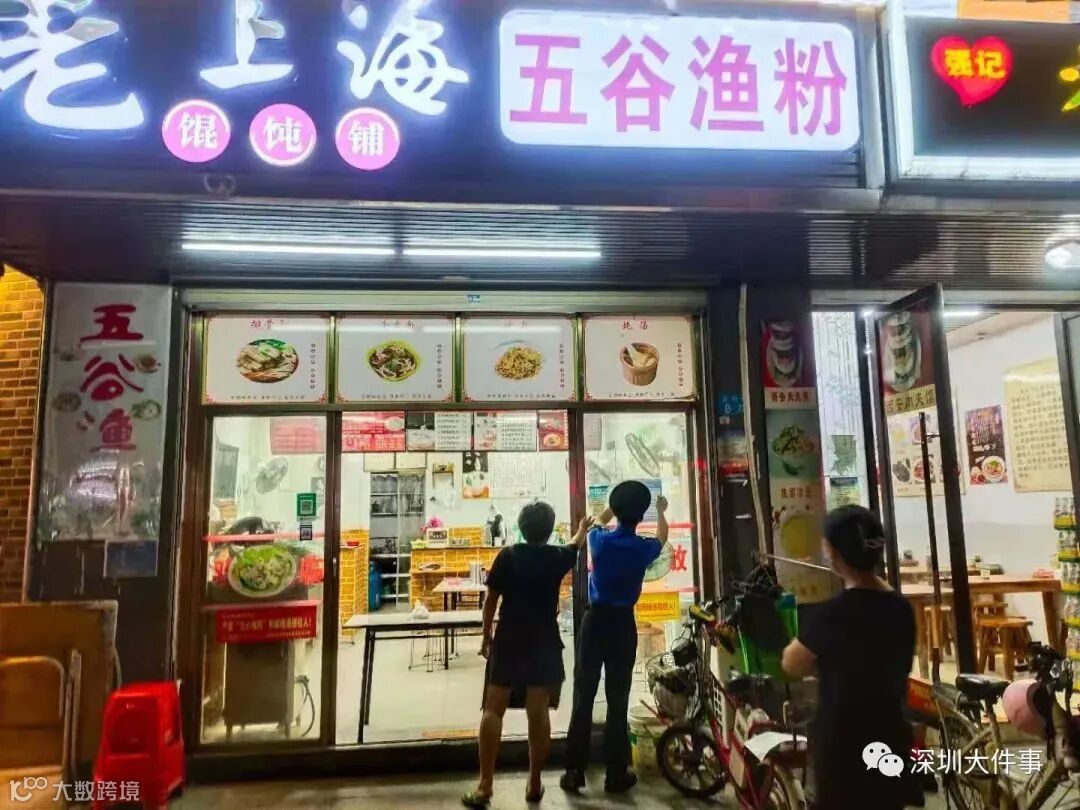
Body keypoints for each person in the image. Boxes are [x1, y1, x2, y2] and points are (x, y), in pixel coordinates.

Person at [781, 505, 922, 810]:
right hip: (890, 737)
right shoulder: (901, 609)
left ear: (833, 553)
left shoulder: (834, 614)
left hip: (844, 747)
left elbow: (791, 663)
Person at [462, 502, 594, 808]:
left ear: (521, 527)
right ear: (548, 530)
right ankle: (534, 783)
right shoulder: (556, 556)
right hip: (544, 640)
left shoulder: (508, 556)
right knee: (538, 712)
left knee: (493, 709)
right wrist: (582, 529)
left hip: (510, 638)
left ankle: (484, 786)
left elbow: (491, 600)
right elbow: (574, 544)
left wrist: (485, 636)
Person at [561, 482, 669, 795]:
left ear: (618, 512)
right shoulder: (642, 548)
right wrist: (661, 511)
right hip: (623, 625)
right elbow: (662, 537)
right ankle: (616, 774)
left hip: (594, 623)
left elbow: (598, 521)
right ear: (641, 517)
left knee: (583, 696)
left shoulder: (599, 541)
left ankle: (574, 772)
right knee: (618, 699)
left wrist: (612, 504)